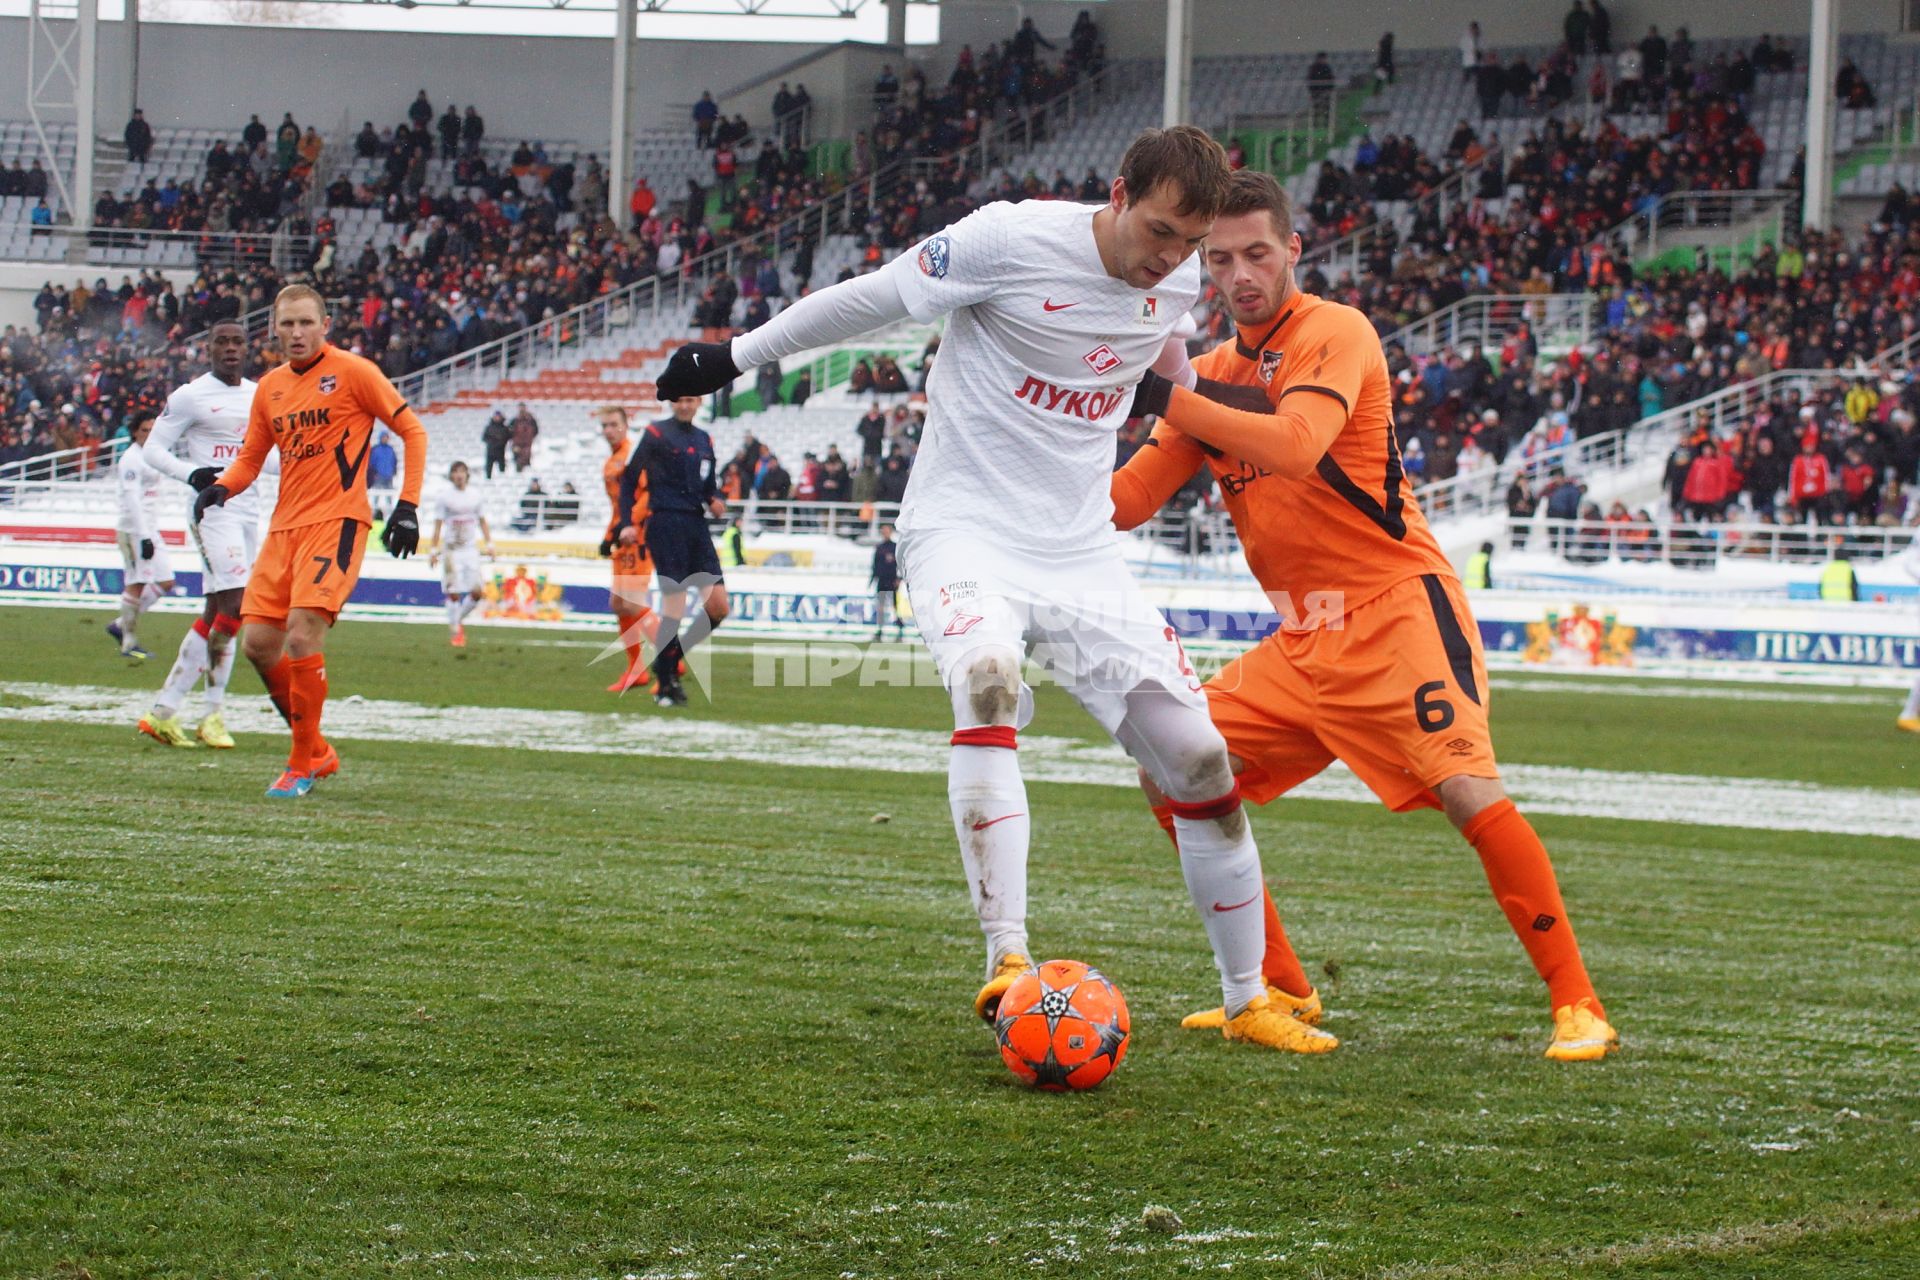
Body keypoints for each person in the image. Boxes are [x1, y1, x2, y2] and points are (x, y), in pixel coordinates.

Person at [648, 126, 1309, 1052]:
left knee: (1201, 762)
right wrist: (731, 357)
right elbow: (868, 299)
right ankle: (1007, 957)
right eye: (1158, 232)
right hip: (965, 529)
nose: (1168, 259)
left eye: (1186, 245)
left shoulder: (1178, 277)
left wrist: (1192, 399)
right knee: (991, 679)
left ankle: (1250, 1002)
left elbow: (1163, 357)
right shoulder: (1008, 238)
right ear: (1118, 195)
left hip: (1080, 550)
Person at [1116, 169, 1618, 1061]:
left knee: (1468, 791)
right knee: (1173, 770)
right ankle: (1282, 988)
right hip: (1302, 637)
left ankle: (1578, 1006)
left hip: (1397, 611)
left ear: (1293, 251)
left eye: (1258, 254)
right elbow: (1124, 503)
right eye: (1219, 257)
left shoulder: (1333, 332)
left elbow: (1300, 447)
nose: (1241, 275)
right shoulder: (1207, 377)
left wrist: (1158, 394)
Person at [191, 284, 428, 799]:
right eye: (287, 324)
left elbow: (412, 430)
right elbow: (252, 458)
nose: (296, 332)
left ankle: (301, 764)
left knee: (301, 636)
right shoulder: (270, 387)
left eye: (305, 323)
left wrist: (407, 506)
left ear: (324, 326)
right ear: (274, 329)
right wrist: (220, 488)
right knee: (257, 645)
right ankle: (317, 747)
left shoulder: (354, 372)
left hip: (337, 521)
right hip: (283, 527)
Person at [134, 321, 263, 749]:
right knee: (236, 604)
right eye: (221, 341)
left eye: (237, 341)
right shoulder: (190, 395)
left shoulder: (258, 394)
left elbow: (265, 457)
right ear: (208, 349)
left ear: (248, 348)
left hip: (248, 512)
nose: (230, 348)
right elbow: (153, 448)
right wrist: (191, 474)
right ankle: (210, 713)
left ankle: (167, 712)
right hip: (212, 512)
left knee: (220, 612)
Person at [616, 396, 729, 708]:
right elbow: (629, 479)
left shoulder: (704, 439)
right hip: (665, 523)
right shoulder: (656, 433)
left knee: (718, 608)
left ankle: (669, 659)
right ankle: (666, 685)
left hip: (697, 524)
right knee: (674, 607)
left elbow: (709, 485)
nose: (684, 406)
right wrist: (627, 523)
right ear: (672, 404)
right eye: (679, 400)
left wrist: (715, 499)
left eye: (689, 400)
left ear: (698, 403)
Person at [597, 405, 661, 696]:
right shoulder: (610, 463)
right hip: (621, 538)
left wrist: (628, 524)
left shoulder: (634, 456)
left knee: (632, 603)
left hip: (638, 538)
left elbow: (649, 494)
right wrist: (609, 534)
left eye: (614, 424)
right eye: (605, 425)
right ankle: (637, 670)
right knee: (619, 604)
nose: (609, 430)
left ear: (625, 425)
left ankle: (671, 660)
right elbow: (616, 505)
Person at [108, 415, 174, 663]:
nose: (149, 433)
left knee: (166, 581)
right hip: (135, 530)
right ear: (134, 432)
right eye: (145, 429)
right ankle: (129, 642)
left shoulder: (153, 454)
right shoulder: (131, 459)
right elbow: (132, 498)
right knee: (136, 583)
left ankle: (119, 625)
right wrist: (143, 535)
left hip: (150, 528)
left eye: (153, 429)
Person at [428, 461, 492, 649]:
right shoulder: (444, 498)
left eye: (462, 471)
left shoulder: (475, 496)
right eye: (455, 472)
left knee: (477, 591)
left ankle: (456, 621)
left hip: (470, 549)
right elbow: (438, 524)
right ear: (451, 475)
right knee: (453, 591)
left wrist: (490, 544)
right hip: (452, 550)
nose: (459, 475)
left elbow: (482, 521)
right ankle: (456, 632)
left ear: (467, 474)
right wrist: (433, 550)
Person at [869, 522, 903, 642]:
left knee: (895, 606)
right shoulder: (879, 547)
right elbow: (875, 565)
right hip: (882, 581)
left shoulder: (895, 547)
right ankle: (880, 631)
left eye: (887, 530)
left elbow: (901, 564)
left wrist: (899, 579)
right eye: (883, 530)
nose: (885, 532)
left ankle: (900, 631)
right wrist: (872, 579)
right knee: (881, 607)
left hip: (892, 581)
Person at [481, 410, 511, 479]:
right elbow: (484, 438)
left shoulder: (504, 428)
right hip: (490, 451)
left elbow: (508, 437)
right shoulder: (489, 427)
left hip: (501, 451)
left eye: (498, 416)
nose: (497, 418)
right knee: (488, 470)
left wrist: (500, 441)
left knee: (502, 470)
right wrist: (492, 441)